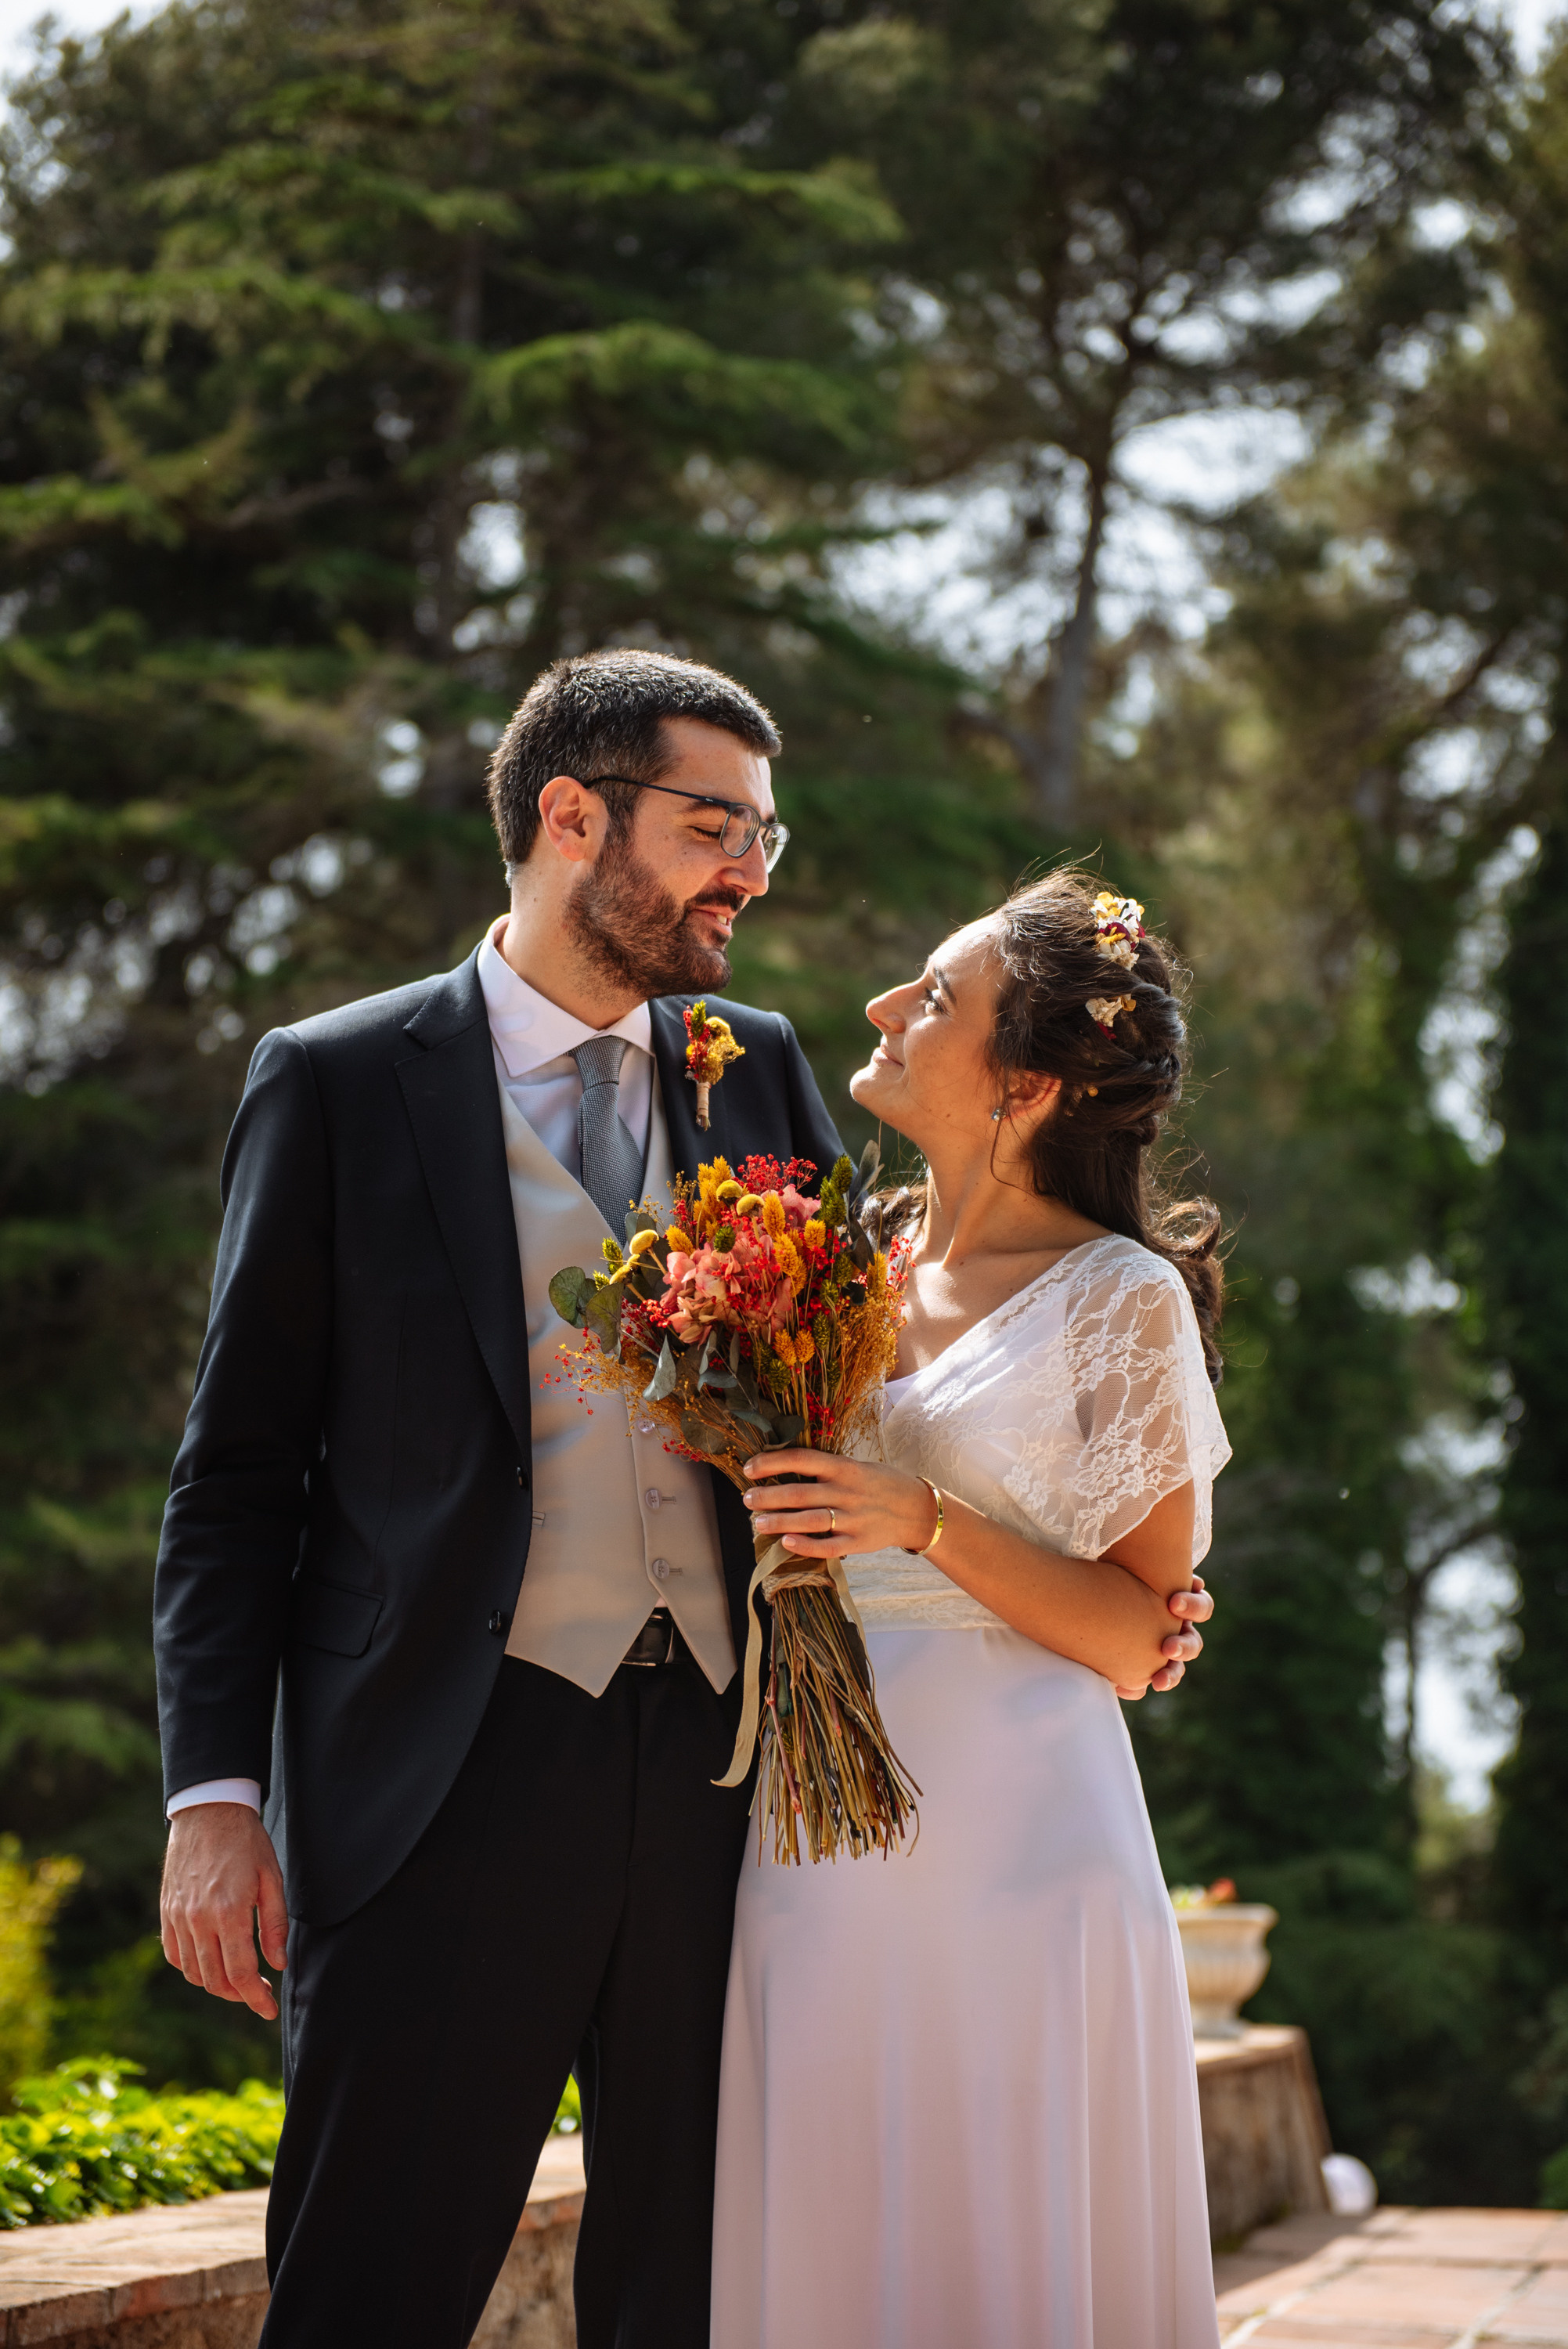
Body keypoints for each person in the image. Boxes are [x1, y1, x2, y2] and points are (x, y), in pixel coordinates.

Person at [153, 652, 1215, 2349]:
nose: (755, 870)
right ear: (573, 818)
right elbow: (235, 1480)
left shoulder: (761, 1071)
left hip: (744, 1803)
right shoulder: (338, 1082)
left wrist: (1083, 1580)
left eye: (769, 835)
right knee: (368, 2286)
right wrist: (212, 1793)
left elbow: (895, 1367)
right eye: (717, 825)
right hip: (439, 1777)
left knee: (700, 2297)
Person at [711, 871, 1229, 2349]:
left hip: (1022, 1853)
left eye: (932, 997)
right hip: (812, 1830)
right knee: (824, 2217)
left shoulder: (1119, 1297)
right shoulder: (836, 1263)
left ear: (1028, 1086)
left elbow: (1141, 1638)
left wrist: (924, 1523)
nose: (881, 1009)